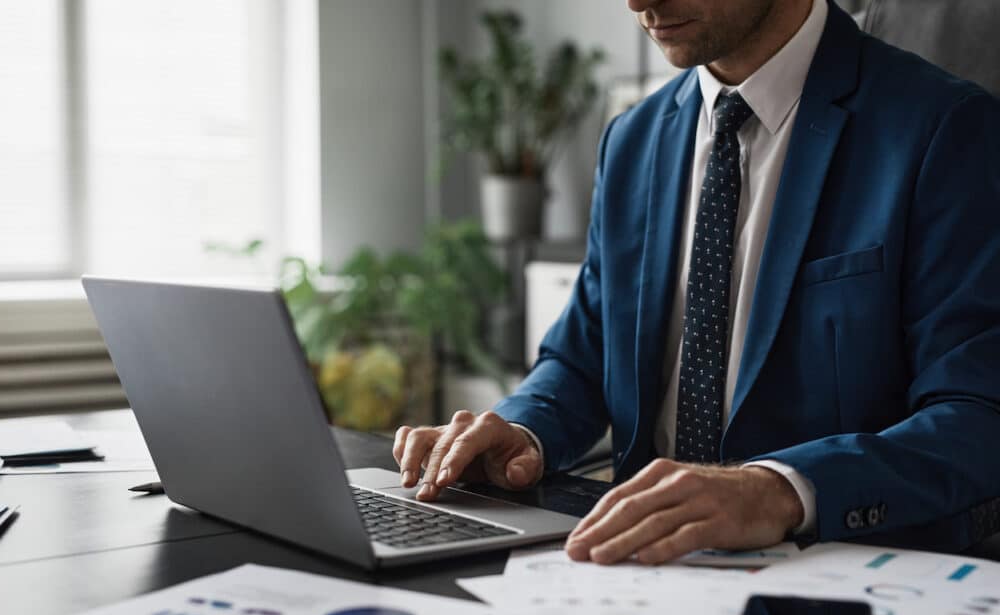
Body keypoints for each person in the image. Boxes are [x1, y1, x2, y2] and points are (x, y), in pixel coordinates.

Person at [393, 0, 1000, 565]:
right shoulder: (631, 140)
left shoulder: (944, 128)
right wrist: (520, 429)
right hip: (633, 568)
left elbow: (977, 412)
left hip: (844, 580)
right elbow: (582, 358)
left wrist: (781, 489)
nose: (637, 1)